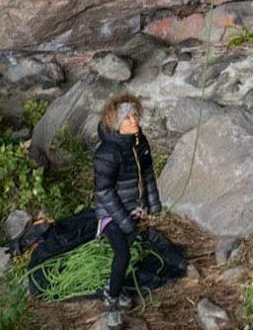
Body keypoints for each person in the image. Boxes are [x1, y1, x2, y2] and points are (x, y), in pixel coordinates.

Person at [93, 93, 161, 328]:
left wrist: (153, 205)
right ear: (116, 124)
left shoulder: (139, 142)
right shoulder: (107, 153)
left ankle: (113, 286)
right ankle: (111, 301)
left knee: (127, 251)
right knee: (123, 255)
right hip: (111, 214)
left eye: (135, 115)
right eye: (127, 118)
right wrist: (125, 221)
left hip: (134, 208)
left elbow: (148, 175)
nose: (134, 121)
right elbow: (104, 193)